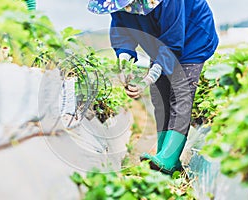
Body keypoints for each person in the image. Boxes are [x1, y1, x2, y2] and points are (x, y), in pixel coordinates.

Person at [88, 0, 218, 174]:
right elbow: (122, 30)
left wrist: (147, 79)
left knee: (180, 94)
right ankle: (161, 154)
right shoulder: (116, 4)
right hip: (159, 41)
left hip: (192, 37)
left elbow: (172, 43)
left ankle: (169, 158)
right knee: (160, 97)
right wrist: (124, 59)